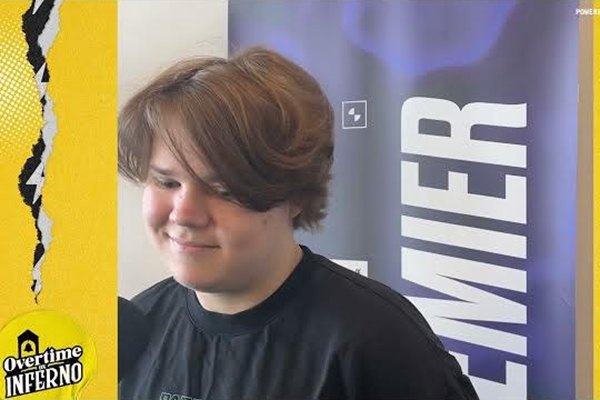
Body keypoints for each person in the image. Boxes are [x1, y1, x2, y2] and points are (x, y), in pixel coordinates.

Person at [118, 46, 479, 400]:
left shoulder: (376, 341)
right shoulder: (138, 327)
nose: (183, 214)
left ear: (293, 195)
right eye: (167, 182)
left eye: (223, 190)